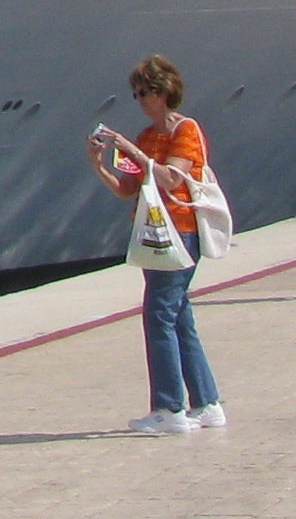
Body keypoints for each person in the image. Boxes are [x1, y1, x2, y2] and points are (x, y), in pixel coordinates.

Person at [88, 54, 226, 433]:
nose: (141, 100)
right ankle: (207, 402)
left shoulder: (186, 131)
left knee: (158, 314)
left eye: (145, 92)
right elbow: (127, 189)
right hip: (152, 232)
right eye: (135, 94)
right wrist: (98, 164)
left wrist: (132, 151)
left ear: (164, 91)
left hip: (180, 230)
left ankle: (168, 407)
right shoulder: (146, 137)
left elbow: (170, 180)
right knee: (179, 315)